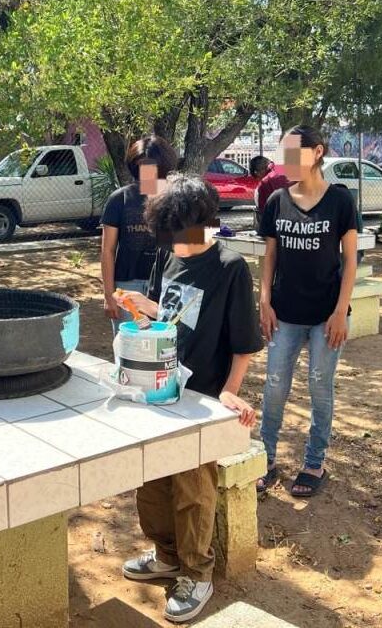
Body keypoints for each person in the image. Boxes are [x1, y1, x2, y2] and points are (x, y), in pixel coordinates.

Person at [115, 174, 262, 623]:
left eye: (177, 233)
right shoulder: (167, 255)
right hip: (160, 388)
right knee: (152, 482)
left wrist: (230, 391)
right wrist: (142, 311)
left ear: (201, 223)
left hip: (202, 399)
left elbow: (244, 344)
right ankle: (166, 555)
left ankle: (198, 574)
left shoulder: (230, 267)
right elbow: (165, 319)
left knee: (193, 489)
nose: (171, 242)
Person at [256, 125, 358, 497]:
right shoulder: (276, 200)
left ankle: (314, 462)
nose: (285, 162)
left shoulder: (340, 201)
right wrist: (264, 300)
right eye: (282, 154)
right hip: (284, 313)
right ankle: (265, 460)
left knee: (319, 386)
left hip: (326, 316)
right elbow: (270, 257)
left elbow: (350, 261)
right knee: (274, 386)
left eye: (292, 154)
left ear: (316, 152)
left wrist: (340, 311)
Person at [100, 135, 177, 334]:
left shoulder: (175, 198)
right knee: (130, 343)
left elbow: (194, 239)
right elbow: (107, 250)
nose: (148, 171)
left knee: (164, 342)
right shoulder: (119, 198)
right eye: (142, 165)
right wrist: (109, 295)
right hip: (127, 284)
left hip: (165, 283)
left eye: (153, 165)